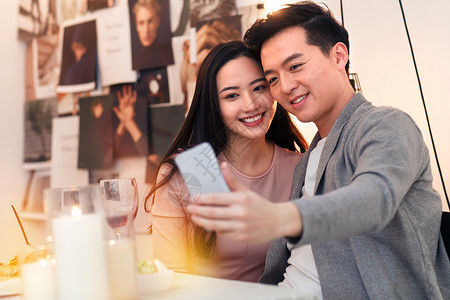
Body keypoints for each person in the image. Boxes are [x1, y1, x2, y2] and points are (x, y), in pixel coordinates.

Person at [187, 2, 450, 299]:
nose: (285, 86)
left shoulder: (385, 124)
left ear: (339, 56)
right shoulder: (308, 159)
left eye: (296, 66)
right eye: (272, 78)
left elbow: (374, 198)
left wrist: (280, 217)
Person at [146, 40, 308, 282]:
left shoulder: (301, 167)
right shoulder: (185, 171)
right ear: (214, 105)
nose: (251, 104)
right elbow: (169, 278)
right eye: (232, 95)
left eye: (259, 88)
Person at [131, 0, 173, 70]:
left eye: (150, 21)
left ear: (158, 21)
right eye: (141, 23)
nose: (146, 30)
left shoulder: (168, 54)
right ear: (136, 26)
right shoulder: (133, 61)